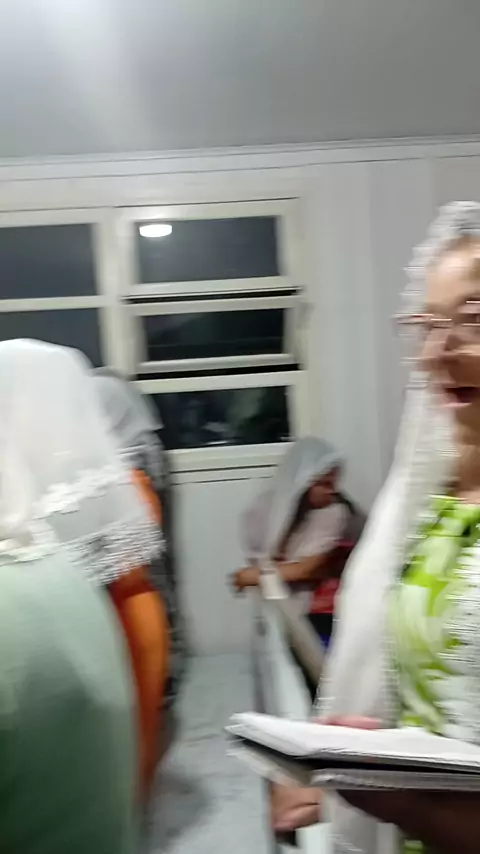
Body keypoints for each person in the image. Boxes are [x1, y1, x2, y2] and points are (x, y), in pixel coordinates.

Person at [280, 201, 480, 854]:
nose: (436, 353)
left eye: (473, 320)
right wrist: (366, 755)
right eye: (426, 324)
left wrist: (409, 804)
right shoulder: (431, 503)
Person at [0, 340, 169, 802]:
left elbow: (130, 573)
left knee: (102, 774)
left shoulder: (99, 482)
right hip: (82, 638)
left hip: (114, 631)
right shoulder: (23, 478)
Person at [92, 369, 187, 713]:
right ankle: (166, 672)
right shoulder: (107, 383)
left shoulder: (91, 387)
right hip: (143, 466)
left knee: (142, 578)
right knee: (154, 575)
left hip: (132, 474)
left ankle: (161, 678)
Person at [234, 437, 356, 648]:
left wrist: (252, 576)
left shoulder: (334, 512)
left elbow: (305, 569)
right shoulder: (264, 509)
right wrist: (266, 574)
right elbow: (264, 558)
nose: (333, 491)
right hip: (281, 602)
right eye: (324, 484)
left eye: (334, 483)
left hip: (323, 609)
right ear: (304, 482)